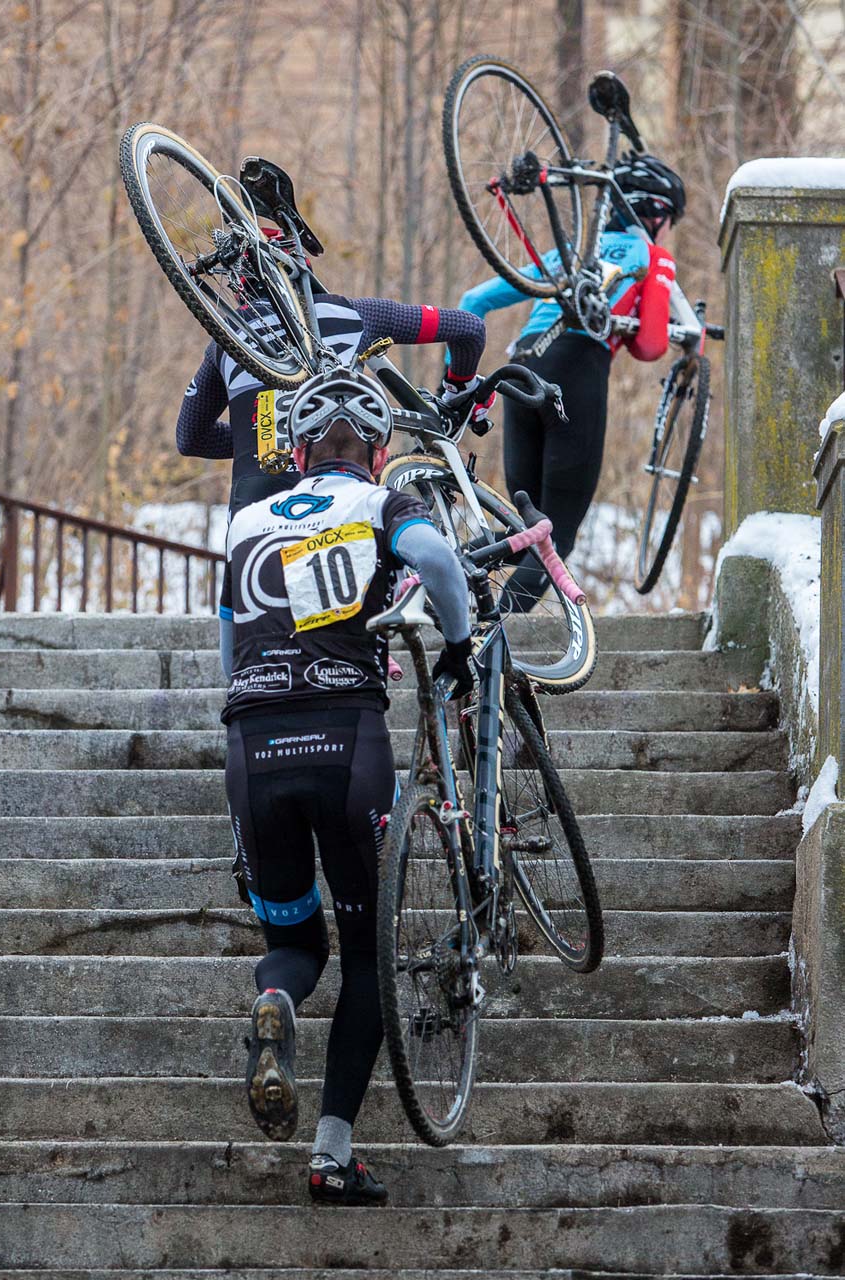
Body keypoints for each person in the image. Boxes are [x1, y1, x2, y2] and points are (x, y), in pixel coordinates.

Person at [222, 366, 473, 1206]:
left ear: (294, 451)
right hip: (346, 737)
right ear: (376, 450)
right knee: (368, 954)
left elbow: (228, 649)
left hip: (251, 747)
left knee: (296, 945)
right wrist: (459, 647)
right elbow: (435, 557)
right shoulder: (377, 503)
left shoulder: (248, 521)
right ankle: (331, 1154)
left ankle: (276, 1001)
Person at [175, 158, 494, 675]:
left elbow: (188, 438)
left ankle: (237, 692)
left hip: (253, 523)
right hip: (343, 503)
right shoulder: (353, 315)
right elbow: (469, 329)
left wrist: (263, 440)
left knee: (253, 630)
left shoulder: (225, 344)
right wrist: (461, 386)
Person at [456, 152, 686, 608]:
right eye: (670, 221)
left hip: (519, 371)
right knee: (553, 537)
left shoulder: (569, 252)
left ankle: (442, 600)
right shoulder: (653, 256)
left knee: (523, 529)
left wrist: (462, 384)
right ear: (655, 214)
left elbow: (471, 301)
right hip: (576, 371)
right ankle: (497, 641)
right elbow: (652, 346)